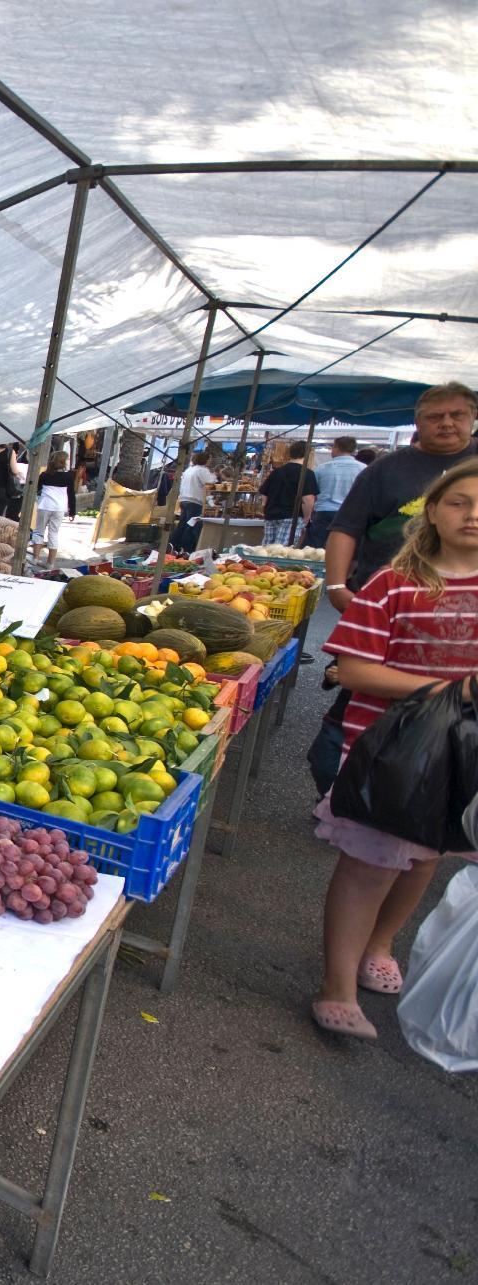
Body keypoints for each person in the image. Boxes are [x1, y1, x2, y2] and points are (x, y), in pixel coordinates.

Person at [309, 458, 478, 1040]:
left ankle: (379, 944)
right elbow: (354, 670)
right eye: (459, 502)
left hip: (466, 756)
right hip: (387, 752)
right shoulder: (392, 585)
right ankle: (337, 987)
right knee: (370, 864)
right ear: (431, 512)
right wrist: (454, 691)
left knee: (427, 856)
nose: (472, 515)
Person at [308, 383, 478, 795]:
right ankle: (343, 795)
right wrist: (337, 585)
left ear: (473, 418)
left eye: (457, 415)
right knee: (345, 737)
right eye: (435, 416)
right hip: (385, 615)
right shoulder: (385, 471)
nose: (447, 423)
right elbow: (345, 528)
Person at [304, 436, 366, 550]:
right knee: (344, 549)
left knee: (314, 550)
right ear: (353, 449)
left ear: (336, 448)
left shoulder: (321, 468)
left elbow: (313, 494)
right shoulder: (363, 469)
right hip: (350, 514)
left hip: (324, 513)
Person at [259, 441, 320, 545]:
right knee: (281, 550)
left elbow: (264, 495)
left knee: (266, 548)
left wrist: (265, 507)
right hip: (291, 516)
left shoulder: (276, 472)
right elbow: (308, 499)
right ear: (307, 454)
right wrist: (307, 517)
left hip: (271, 514)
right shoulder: (307, 473)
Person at [168, 450, 218, 553]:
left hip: (184, 499)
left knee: (183, 524)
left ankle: (173, 545)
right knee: (191, 526)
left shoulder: (189, 470)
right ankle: (187, 549)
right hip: (195, 501)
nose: (210, 461)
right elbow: (210, 484)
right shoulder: (202, 470)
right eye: (209, 459)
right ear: (205, 460)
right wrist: (211, 501)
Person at [29, 451, 75, 563]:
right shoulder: (68, 476)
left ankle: (35, 558)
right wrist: (72, 511)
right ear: (63, 462)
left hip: (45, 505)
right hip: (59, 508)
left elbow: (37, 488)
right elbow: (71, 494)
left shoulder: (44, 475)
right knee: (53, 533)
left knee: (39, 531)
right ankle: (50, 563)